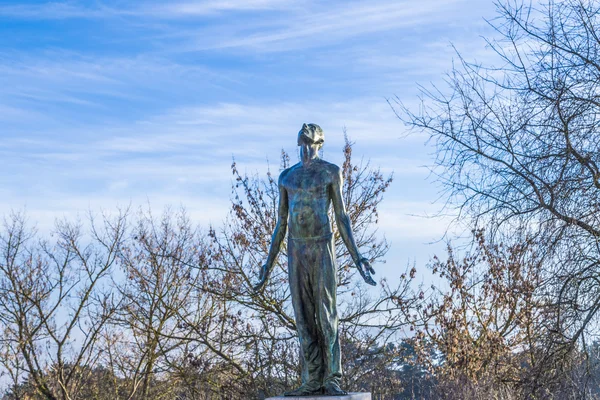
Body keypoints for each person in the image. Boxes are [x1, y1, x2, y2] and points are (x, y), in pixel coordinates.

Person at [254, 123, 376, 396]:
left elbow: (342, 217)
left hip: (322, 246)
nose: (306, 148)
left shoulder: (330, 172)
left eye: (310, 142)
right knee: (303, 316)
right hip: (296, 249)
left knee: (325, 313)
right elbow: (280, 223)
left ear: (319, 143)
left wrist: (358, 258)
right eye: (302, 142)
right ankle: (312, 377)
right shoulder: (287, 177)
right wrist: (267, 264)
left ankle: (332, 377)